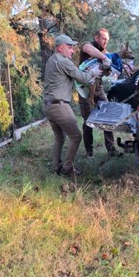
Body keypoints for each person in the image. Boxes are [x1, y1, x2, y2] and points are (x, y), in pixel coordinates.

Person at [43, 34, 102, 176]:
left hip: (48, 105)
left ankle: (56, 167)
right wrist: (95, 72)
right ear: (60, 48)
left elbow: (74, 74)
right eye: (69, 47)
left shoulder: (52, 60)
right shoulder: (63, 61)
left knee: (60, 137)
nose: (73, 50)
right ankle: (67, 168)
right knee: (76, 136)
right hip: (59, 106)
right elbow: (85, 79)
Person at [78, 28, 117, 158]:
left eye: (107, 40)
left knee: (108, 116)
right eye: (104, 39)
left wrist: (110, 69)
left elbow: (109, 72)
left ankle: (111, 149)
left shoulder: (105, 53)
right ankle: (89, 152)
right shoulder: (86, 45)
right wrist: (104, 57)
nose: (106, 42)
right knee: (88, 120)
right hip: (85, 90)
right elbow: (89, 50)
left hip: (98, 88)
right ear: (96, 38)